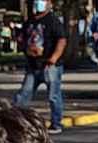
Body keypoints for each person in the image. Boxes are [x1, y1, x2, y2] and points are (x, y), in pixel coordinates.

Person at [14, 0, 67, 135]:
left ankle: (56, 123)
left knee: (53, 96)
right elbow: (24, 39)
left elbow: (62, 40)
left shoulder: (53, 20)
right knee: (23, 95)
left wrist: (54, 58)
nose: (39, 3)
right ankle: (13, 121)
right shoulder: (30, 21)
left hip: (50, 66)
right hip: (33, 66)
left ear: (49, 3)